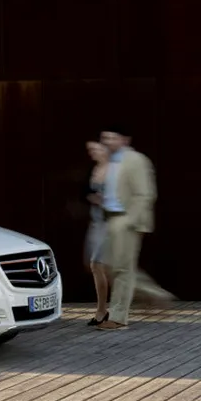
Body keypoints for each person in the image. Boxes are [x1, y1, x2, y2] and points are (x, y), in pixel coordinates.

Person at [95, 125, 157, 331]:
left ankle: (118, 317)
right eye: (105, 138)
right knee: (111, 267)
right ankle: (154, 294)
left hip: (126, 220)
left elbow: (144, 194)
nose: (108, 142)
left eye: (112, 138)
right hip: (111, 219)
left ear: (124, 140)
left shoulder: (135, 160)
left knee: (122, 270)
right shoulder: (109, 161)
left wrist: (130, 221)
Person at [84, 141, 112, 325]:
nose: (92, 152)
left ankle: (102, 310)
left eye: (96, 149)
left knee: (97, 264)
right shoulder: (95, 169)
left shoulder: (113, 170)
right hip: (96, 222)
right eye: (90, 150)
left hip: (109, 224)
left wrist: (103, 200)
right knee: (97, 267)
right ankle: (103, 308)